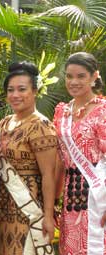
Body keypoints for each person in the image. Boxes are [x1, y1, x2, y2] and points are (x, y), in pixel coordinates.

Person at [0, 62, 57, 254]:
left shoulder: (41, 126)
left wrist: (48, 215)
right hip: (2, 206)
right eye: (10, 90)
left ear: (35, 91)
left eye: (22, 89)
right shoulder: (4, 123)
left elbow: (49, 175)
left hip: (28, 209)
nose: (15, 95)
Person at [53, 52, 106, 254]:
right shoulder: (62, 112)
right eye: (69, 76)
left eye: (81, 76)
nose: (73, 81)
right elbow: (59, 161)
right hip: (71, 198)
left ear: (94, 77)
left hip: (98, 197)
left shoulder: (103, 111)